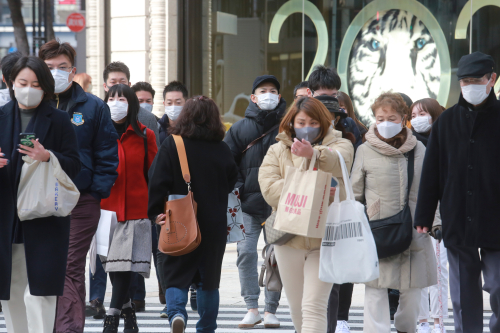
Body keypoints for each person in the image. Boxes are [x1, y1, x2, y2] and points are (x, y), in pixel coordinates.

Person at [38, 40, 120, 333]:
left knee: (70, 266)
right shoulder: (31, 104)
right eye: (50, 68)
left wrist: (96, 192)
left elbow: (108, 154)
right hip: (38, 199)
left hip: (81, 199)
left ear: (73, 71)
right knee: (44, 268)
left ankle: (68, 329)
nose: (57, 72)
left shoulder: (94, 106)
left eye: (63, 67)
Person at [415, 52, 500, 333]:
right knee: (463, 292)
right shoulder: (446, 122)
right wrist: (425, 215)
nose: (469, 86)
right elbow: (432, 174)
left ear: (492, 80)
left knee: (498, 283)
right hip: (457, 214)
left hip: (495, 215)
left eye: (476, 80)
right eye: (464, 81)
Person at [259, 97, 354, 333]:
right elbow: (270, 191)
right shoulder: (277, 150)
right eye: (301, 121)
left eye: (314, 121)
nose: (307, 126)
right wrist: (314, 189)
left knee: (314, 306)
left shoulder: (341, 147)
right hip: (287, 238)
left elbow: (336, 163)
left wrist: (313, 154)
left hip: (325, 240)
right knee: (297, 309)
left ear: (324, 123)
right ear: (291, 122)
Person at [0, 56, 81, 333]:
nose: (28, 88)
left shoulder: (58, 120)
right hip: (6, 215)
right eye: (22, 82)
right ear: (11, 83)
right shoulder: (0, 116)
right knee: (11, 288)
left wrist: (47, 156)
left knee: (41, 292)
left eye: (35, 83)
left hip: (45, 214)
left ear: (45, 88)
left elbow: (75, 164)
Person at [148, 96, 238, 333]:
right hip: (214, 223)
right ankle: (207, 326)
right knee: (209, 280)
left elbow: (156, 179)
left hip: (179, 220)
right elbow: (232, 180)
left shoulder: (172, 144)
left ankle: (177, 313)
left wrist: (156, 211)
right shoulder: (222, 148)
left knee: (175, 270)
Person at [349, 92, 437, 333]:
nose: (385, 123)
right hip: (378, 228)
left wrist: (435, 221)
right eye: (380, 118)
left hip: (415, 226)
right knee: (376, 289)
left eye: (391, 117)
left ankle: (405, 328)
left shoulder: (418, 148)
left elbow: (431, 188)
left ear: (403, 118)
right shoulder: (365, 150)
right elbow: (355, 192)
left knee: (412, 288)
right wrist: (357, 223)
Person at [224, 75, 286, 329]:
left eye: (273, 91)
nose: (268, 95)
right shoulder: (239, 129)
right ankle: (252, 307)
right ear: (253, 97)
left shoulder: (287, 127)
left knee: (277, 256)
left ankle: (271, 309)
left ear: (279, 97)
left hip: (278, 206)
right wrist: (239, 189)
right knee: (246, 253)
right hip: (247, 204)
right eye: (263, 91)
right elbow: (227, 164)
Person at [98, 84, 157, 332]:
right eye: (111, 98)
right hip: (105, 209)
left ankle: (112, 316)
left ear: (131, 103)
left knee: (124, 265)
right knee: (113, 265)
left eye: (122, 98)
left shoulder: (146, 135)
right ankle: (129, 310)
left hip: (135, 210)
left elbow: (154, 175)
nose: (116, 102)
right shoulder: (98, 133)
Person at [409, 98, 447, 333]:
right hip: (415, 215)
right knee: (418, 270)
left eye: (422, 113)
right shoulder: (409, 145)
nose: (416, 119)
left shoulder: (444, 142)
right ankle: (422, 321)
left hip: (439, 216)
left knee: (439, 271)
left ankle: (438, 321)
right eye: (413, 115)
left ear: (434, 115)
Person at [103, 61, 160, 147]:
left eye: (122, 82)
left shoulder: (147, 118)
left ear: (129, 85)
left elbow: (155, 156)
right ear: (105, 86)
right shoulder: (97, 115)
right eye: (113, 82)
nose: (118, 86)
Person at [308, 65, 362, 149]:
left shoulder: (347, 123)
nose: (329, 100)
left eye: (333, 96)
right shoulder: (301, 122)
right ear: (309, 93)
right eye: (323, 95)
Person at [158, 80, 188, 145]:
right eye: (169, 103)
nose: (173, 106)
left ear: (186, 103)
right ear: (164, 104)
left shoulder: (192, 129)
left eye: (178, 103)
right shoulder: (157, 129)